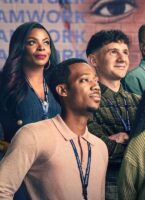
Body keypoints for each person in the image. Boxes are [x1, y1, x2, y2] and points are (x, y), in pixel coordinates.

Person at [0, 58, 108, 199]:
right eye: (85, 80)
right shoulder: (33, 135)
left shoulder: (100, 147)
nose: (96, 86)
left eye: (96, 80)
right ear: (63, 90)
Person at [86, 29, 140, 200]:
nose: (122, 58)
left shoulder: (139, 101)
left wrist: (123, 139)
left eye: (125, 52)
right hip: (107, 185)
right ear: (93, 60)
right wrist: (135, 143)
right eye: (113, 52)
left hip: (140, 184)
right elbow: (98, 149)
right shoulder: (85, 100)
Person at [0, 21, 61, 144]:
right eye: (32, 42)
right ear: (20, 48)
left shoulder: (58, 83)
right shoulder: (4, 83)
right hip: (18, 159)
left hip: (57, 160)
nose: (41, 47)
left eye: (46, 42)